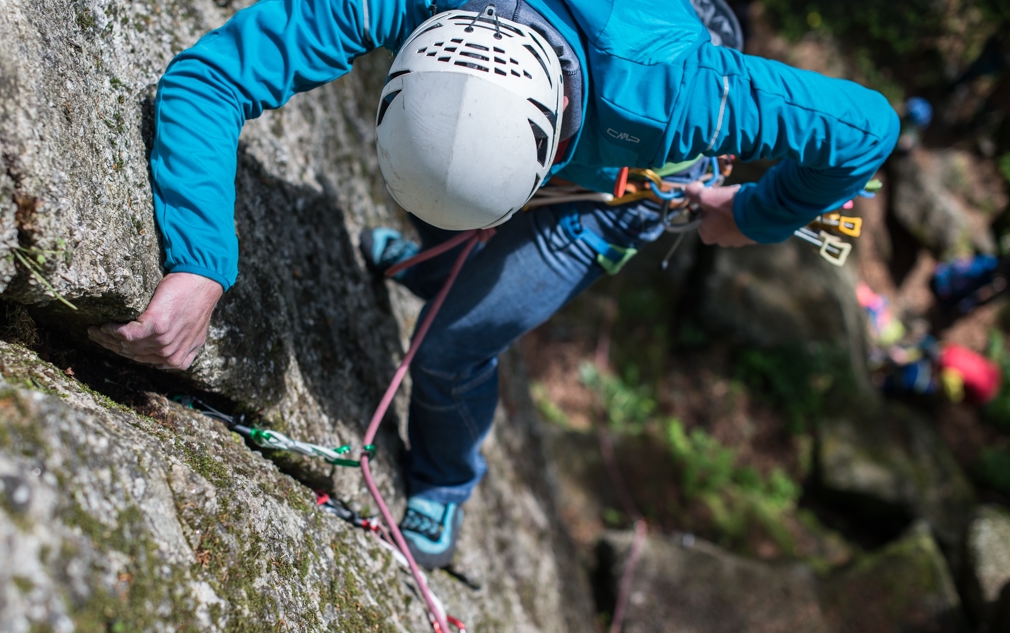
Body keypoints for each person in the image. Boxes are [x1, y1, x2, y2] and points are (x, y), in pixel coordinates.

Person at [87, 0, 899, 568]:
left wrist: (752, 211)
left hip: (617, 187)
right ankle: (427, 259)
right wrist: (200, 263)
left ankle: (443, 481)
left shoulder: (682, 99)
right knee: (452, 225)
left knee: (451, 345)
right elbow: (212, 79)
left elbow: (869, 129)